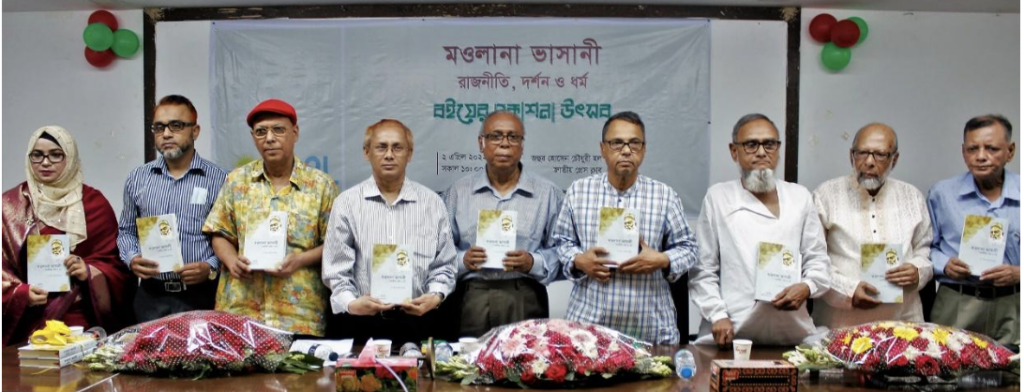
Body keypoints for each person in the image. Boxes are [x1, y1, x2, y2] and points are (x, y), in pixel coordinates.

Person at [552, 111, 697, 345]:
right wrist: (579, 260)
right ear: (602, 148)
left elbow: (689, 248)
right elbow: (561, 242)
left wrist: (662, 259)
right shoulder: (579, 191)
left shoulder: (664, 195)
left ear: (644, 149)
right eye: (617, 143)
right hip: (589, 329)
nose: (627, 150)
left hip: (652, 331)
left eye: (634, 143)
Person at [690, 114, 830, 346]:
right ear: (734, 151)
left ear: (778, 149)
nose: (762, 152)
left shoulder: (799, 197)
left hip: (791, 331)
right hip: (732, 329)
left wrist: (807, 287)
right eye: (751, 144)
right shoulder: (719, 197)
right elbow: (702, 269)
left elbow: (818, 260)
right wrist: (717, 314)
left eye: (769, 144)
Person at [203, 99, 339, 336]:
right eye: (261, 132)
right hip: (241, 310)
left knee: (301, 374)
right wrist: (232, 259)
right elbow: (219, 232)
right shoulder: (237, 181)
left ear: (294, 133)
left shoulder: (321, 185)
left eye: (278, 130)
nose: (269, 138)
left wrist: (300, 259)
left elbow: (335, 245)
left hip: (299, 314)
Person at [322, 119, 458, 343]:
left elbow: (445, 265)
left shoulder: (432, 203)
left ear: (410, 153)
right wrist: (351, 303)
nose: (389, 154)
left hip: (421, 322)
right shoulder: (346, 203)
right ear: (367, 152)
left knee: (424, 379)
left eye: (397, 147)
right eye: (381, 147)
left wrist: (435, 296)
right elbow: (336, 271)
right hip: (363, 323)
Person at [2, 126, 134, 345]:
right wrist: (20, 293)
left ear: (70, 157)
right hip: (29, 323)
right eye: (37, 155)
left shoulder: (94, 204)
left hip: (81, 324)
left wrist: (89, 271)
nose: (45, 162)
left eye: (56, 154)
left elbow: (119, 269)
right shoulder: (9, 207)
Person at [441, 111, 564, 337]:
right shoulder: (457, 193)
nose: (504, 144)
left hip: (525, 296)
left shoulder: (548, 194)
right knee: (467, 368)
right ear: (482, 143)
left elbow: (564, 252)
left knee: (526, 368)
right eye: (496, 136)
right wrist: (462, 260)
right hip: (471, 298)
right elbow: (438, 253)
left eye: (513, 137)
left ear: (522, 145)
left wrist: (533, 262)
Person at [117, 95, 228, 322]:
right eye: (159, 127)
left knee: (200, 358)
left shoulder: (220, 179)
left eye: (176, 126)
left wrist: (211, 267)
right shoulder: (138, 179)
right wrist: (132, 258)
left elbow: (233, 238)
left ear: (195, 131)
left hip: (203, 296)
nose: (166, 134)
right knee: (148, 358)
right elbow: (126, 231)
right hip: (150, 295)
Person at [812, 123, 933, 328]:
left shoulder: (912, 197)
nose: (869, 162)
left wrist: (917, 271)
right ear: (851, 156)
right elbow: (814, 259)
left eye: (880, 155)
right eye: (862, 153)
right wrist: (849, 290)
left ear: (894, 159)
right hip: (841, 323)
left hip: (903, 324)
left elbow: (924, 250)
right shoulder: (826, 195)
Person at [928, 114, 1019, 346]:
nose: (980, 157)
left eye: (991, 148)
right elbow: (925, 248)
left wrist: (1019, 273)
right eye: (972, 149)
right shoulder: (942, 193)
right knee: (948, 374)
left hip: (1014, 302)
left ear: (1010, 151)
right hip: (957, 301)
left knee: (1014, 377)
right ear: (963, 151)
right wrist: (944, 264)